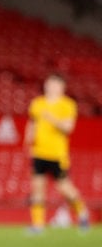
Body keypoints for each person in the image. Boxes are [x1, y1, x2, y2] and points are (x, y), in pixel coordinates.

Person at [24, 73, 89, 233]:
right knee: (37, 188)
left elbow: (68, 128)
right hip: (39, 152)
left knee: (65, 188)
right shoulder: (37, 103)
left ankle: (82, 213)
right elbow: (32, 123)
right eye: (49, 83)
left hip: (57, 154)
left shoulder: (67, 105)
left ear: (62, 87)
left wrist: (51, 118)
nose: (51, 87)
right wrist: (28, 141)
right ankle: (38, 225)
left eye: (55, 84)